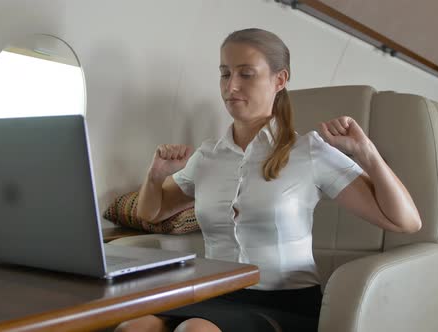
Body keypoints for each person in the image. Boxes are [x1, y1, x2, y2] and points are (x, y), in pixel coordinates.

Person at [115, 28, 422, 332]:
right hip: (213, 295)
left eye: (246, 74)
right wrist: (155, 176)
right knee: (133, 327)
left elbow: (405, 222)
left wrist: (367, 154)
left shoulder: (309, 152)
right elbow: (150, 213)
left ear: (280, 79)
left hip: (284, 303)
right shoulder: (207, 156)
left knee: (195, 331)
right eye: (225, 74)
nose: (231, 86)